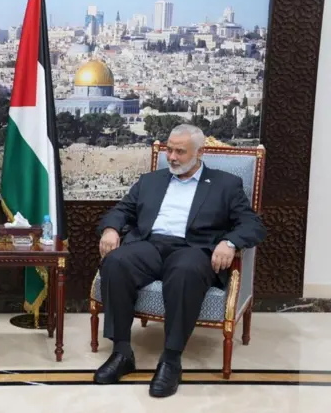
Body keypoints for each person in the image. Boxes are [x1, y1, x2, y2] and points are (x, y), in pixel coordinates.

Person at [93, 124, 266, 397]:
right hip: (150, 245)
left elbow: (252, 224)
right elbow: (121, 210)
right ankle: (122, 352)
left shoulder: (225, 184)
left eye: (180, 152)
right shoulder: (151, 180)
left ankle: (171, 361)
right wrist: (111, 229)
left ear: (200, 152)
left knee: (185, 271)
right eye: (169, 149)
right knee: (115, 262)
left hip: (193, 249)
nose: (171, 157)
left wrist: (230, 242)